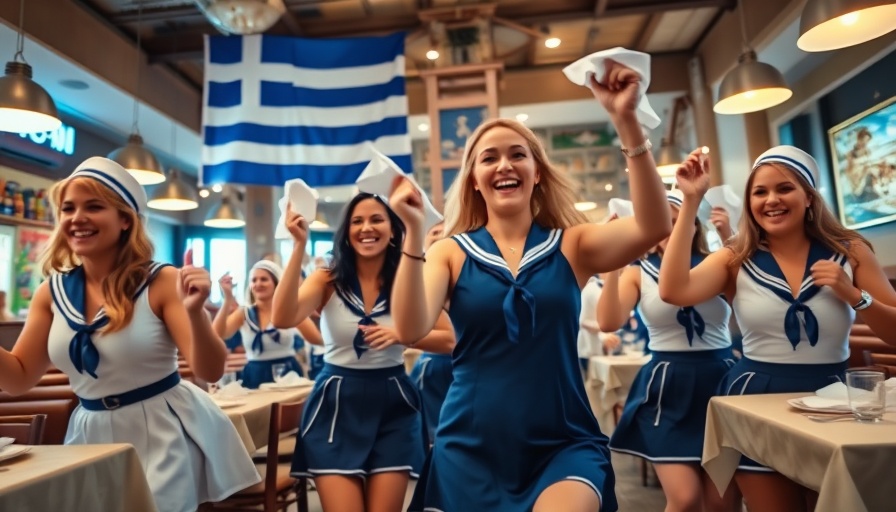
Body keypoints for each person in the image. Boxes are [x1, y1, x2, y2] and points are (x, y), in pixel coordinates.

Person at [389, 60, 673, 512]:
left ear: (537, 172)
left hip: (562, 440)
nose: (505, 164)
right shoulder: (450, 252)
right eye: (489, 157)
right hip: (470, 444)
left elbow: (655, 224)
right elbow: (409, 327)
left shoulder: (573, 244)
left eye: (518, 154)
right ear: (475, 180)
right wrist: (411, 233)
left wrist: (627, 121)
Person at [0, 157, 259, 512]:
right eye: (68, 208)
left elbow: (210, 370)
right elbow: (18, 379)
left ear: (125, 220)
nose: (77, 218)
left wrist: (197, 312)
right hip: (88, 433)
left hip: (159, 429)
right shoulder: (51, 292)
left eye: (94, 207)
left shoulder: (160, 281)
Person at [659, 146, 896, 512]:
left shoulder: (852, 252)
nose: (772, 200)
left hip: (833, 398)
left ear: (808, 197)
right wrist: (691, 201)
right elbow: (674, 291)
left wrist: (853, 294)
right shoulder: (735, 257)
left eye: (784, 189)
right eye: (760, 192)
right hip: (754, 399)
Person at [273, 192, 453, 512]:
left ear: (394, 229)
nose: (366, 228)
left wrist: (404, 335)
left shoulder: (409, 279)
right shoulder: (327, 279)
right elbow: (283, 317)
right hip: (337, 403)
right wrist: (298, 246)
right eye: (357, 221)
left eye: (376, 219)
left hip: (394, 402)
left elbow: (451, 339)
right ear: (346, 231)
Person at [597, 190, 737, 512]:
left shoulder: (718, 264)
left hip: (720, 381)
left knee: (721, 503)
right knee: (685, 498)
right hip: (668, 384)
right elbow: (608, 321)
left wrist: (729, 235)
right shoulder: (639, 273)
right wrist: (614, 263)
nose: (670, 231)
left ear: (694, 225)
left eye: (677, 223)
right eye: (663, 225)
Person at [213, 260, 321, 388]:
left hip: (287, 373)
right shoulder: (244, 313)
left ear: (276, 284)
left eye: (264, 279)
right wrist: (227, 300)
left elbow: (316, 339)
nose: (258, 283)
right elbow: (217, 334)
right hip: (254, 374)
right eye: (254, 280)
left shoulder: (288, 311)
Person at [407, 221, 458, 448]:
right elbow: (449, 340)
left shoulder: (464, 270)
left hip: (470, 367)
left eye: (445, 232)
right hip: (436, 368)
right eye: (434, 231)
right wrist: (398, 336)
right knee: (436, 437)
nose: (440, 235)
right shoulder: (419, 278)